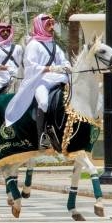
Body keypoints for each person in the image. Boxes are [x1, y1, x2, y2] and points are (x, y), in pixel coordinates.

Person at [5, 13, 70, 148]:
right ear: (40, 26)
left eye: (53, 24)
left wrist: (67, 65)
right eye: (49, 25)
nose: (52, 27)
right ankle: (43, 135)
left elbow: (62, 60)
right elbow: (31, 66)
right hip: (40, 80)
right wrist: (51, 68)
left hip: (57, 78)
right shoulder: (33, 45)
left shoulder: (54, 44)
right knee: (44, 102)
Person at [0, 21, 24, 97]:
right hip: (1, 78)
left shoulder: (18, 48)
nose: (6, 32)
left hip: (16, 76)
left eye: (8, 31)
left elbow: (22, 62)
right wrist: (8, 68)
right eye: (3, 31)